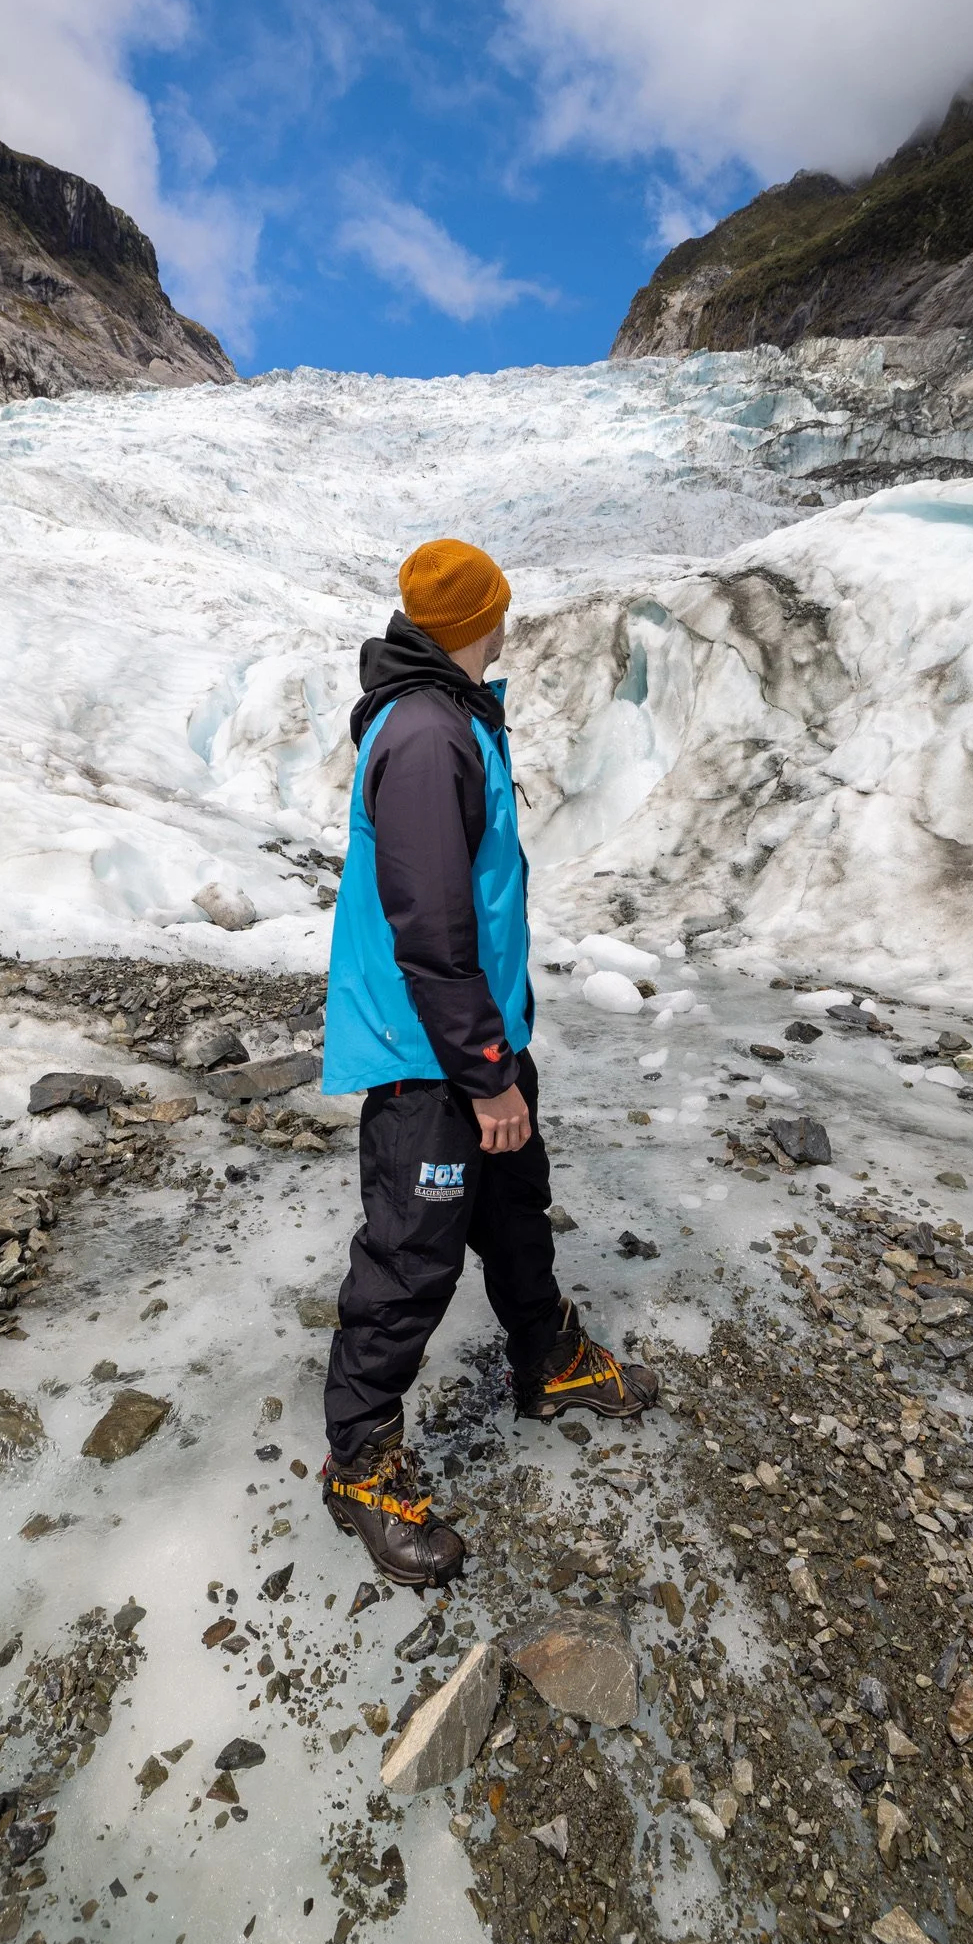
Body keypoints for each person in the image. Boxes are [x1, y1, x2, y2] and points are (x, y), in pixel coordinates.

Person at [319, 537, 658, 1585]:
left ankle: (544, 1360)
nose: (507, 618)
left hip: (473, 1038)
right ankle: (360, 1464)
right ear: (477, 616)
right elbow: (428, 921)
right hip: (434, 1058)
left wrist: (498, 1051)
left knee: (512, 1204)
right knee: (410, 1256)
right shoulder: (425, 732)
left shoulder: (450, 712)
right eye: (500, 606)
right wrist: (482, 1072)